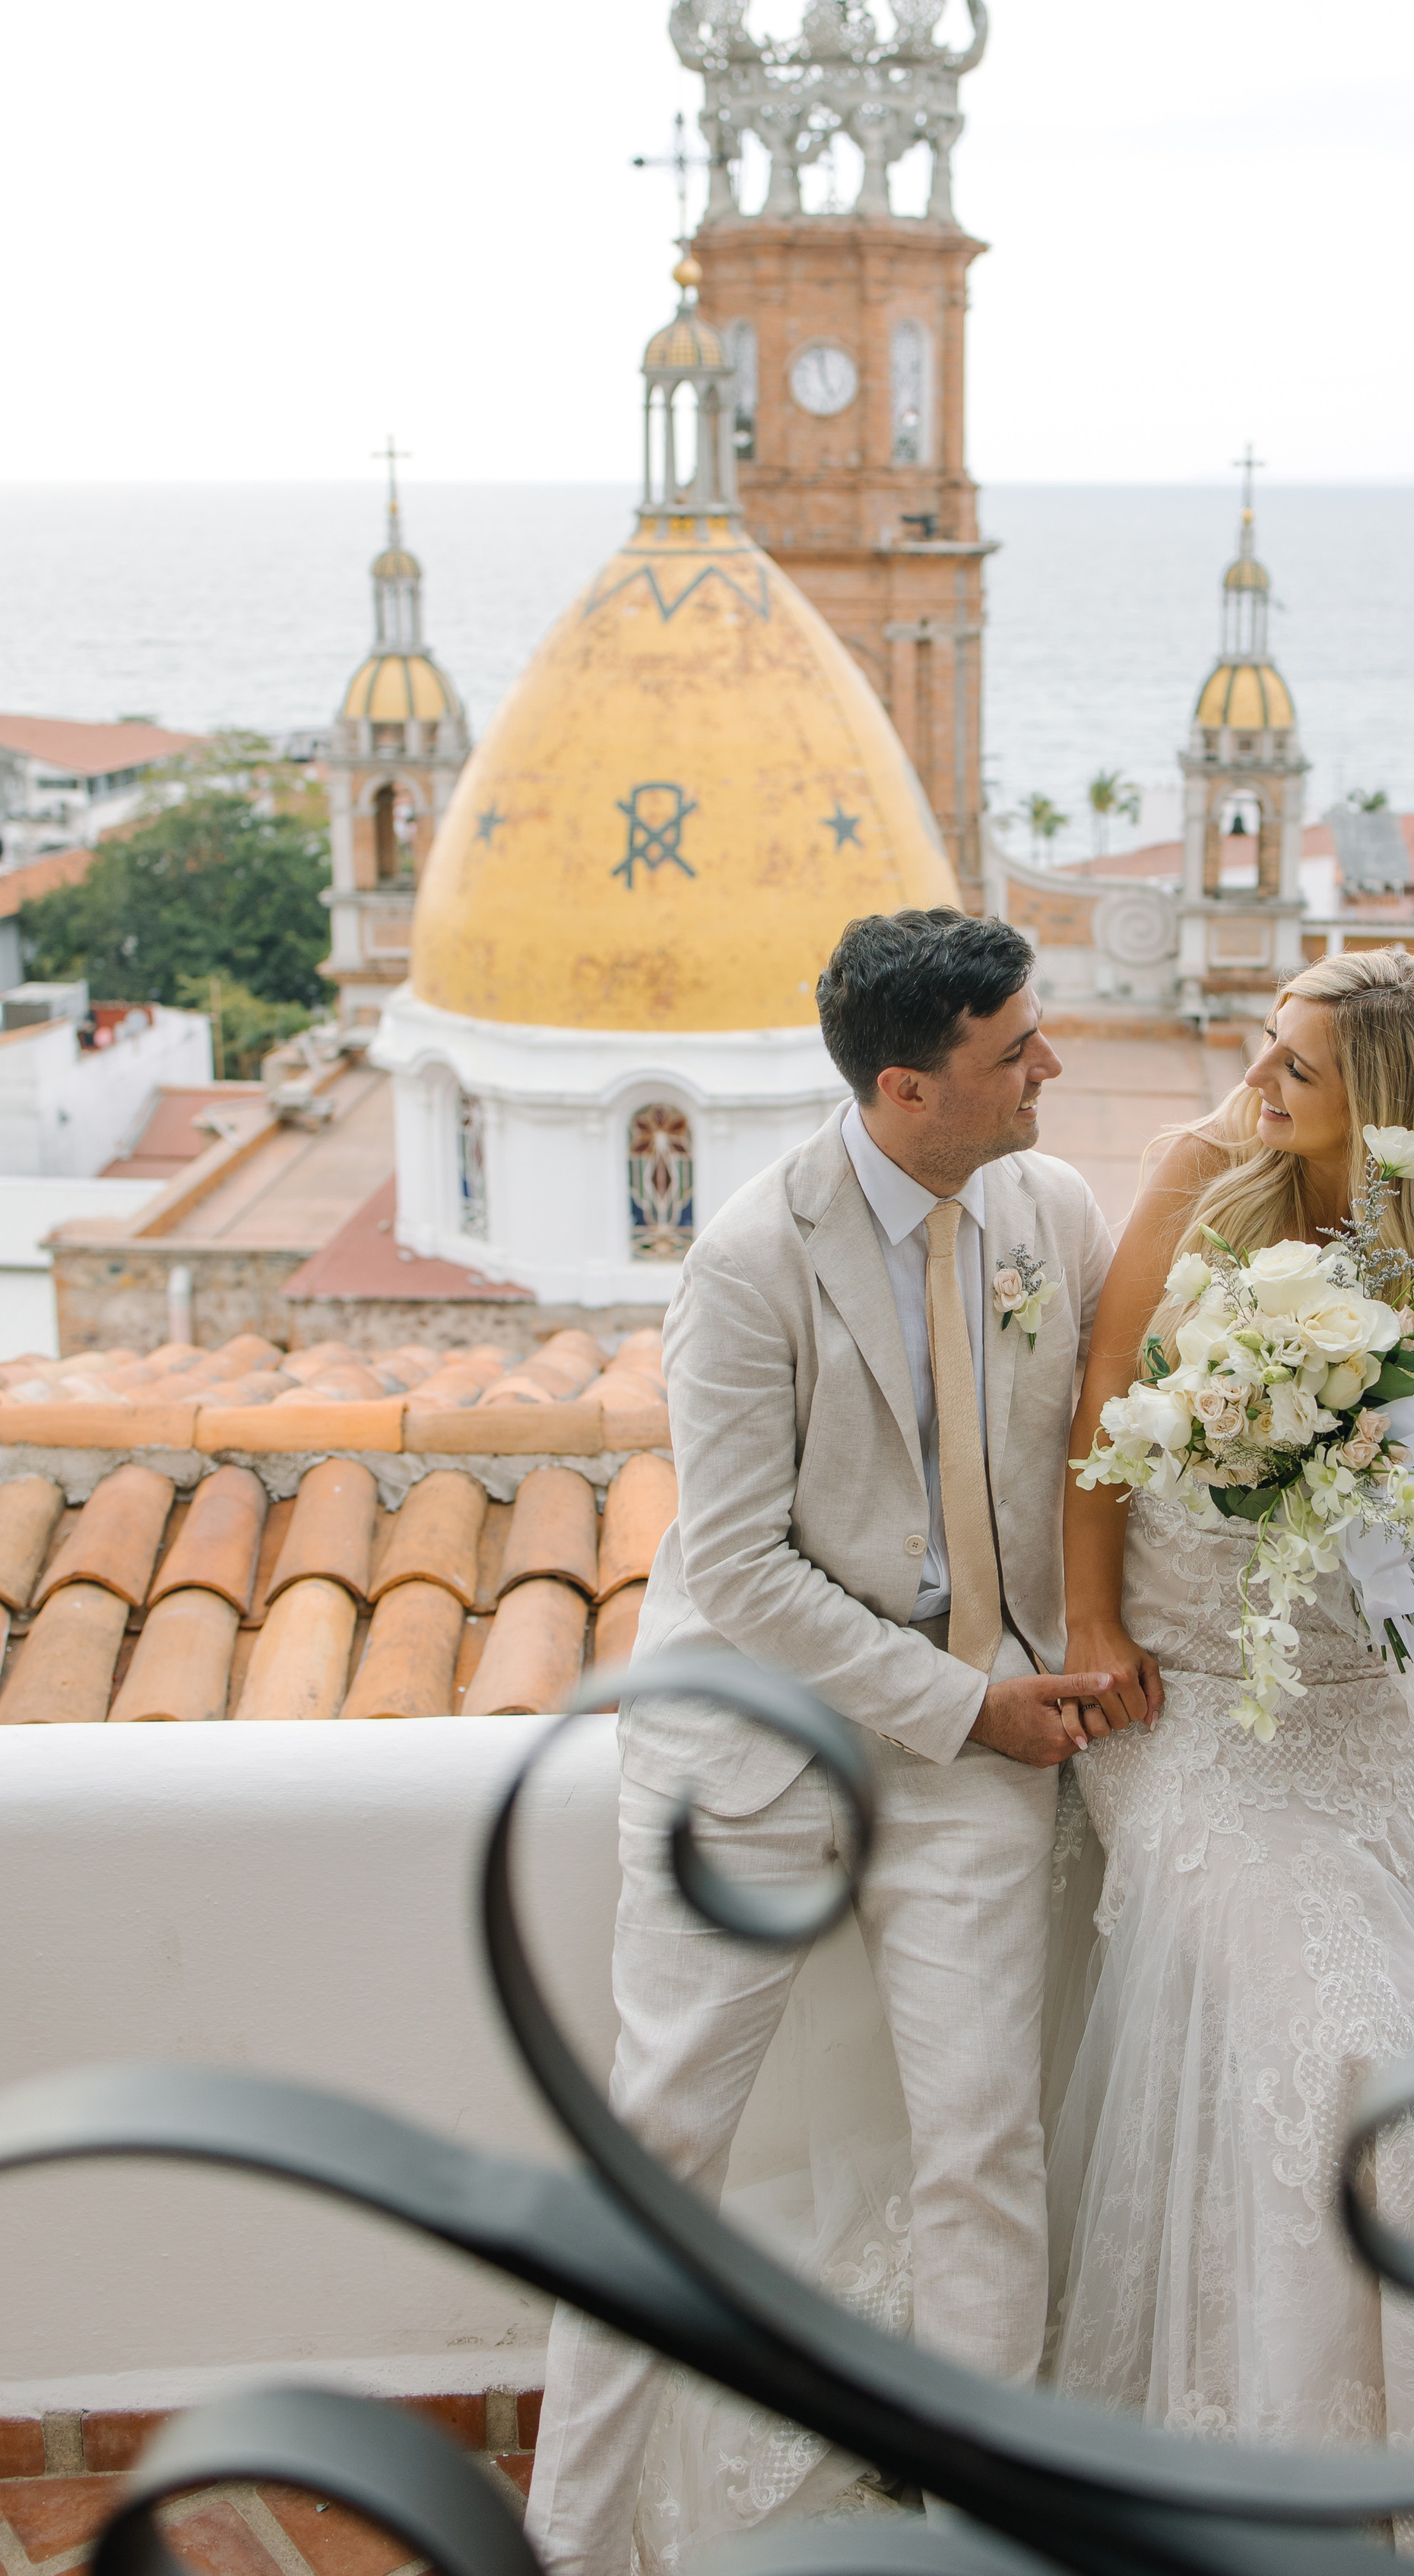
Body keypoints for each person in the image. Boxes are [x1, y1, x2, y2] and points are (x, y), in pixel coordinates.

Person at [1047, 948, 1414, 2574]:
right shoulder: (1198, 1177)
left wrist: (1372, 1443)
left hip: (1343, 1714)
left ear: (1382, 1110)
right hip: (1181, 1704)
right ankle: (1260, 2440)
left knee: (1370, 2047)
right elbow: (1100, 1413)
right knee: (1344, 2044)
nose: (1257, 1081)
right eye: (1262, 1046)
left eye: (1294, 1068)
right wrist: (1096, 1629)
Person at [525, 907, 1116, 2576]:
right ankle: (565, 2547)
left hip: (968, 1755)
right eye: (1016, 1052)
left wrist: (1048, 1673)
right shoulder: (742, 1260)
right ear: (908, 1087)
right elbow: (736, 1567)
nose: (1049, 1070)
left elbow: (1085, 1456)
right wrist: (963, 1704)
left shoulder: (1047, 1209)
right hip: (761, 1751)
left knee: (985, 2142)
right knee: (658, 2148)